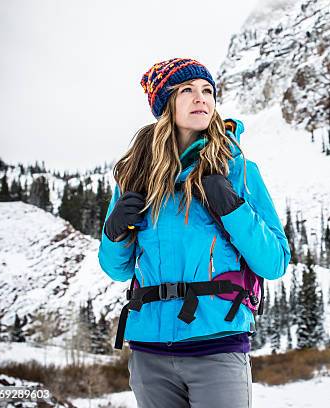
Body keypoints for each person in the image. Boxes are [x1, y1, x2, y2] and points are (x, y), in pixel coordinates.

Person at [97, 57, 291, 408]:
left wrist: (232, 208)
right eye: (187, 90)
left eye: (207, 90)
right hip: (149, 352)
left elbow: (274, 262)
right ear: (165, 105)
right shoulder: (134, 175)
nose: (200, 97)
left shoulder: (238, 170)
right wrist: (113, 233)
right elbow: (117, 269)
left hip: (217, 344)